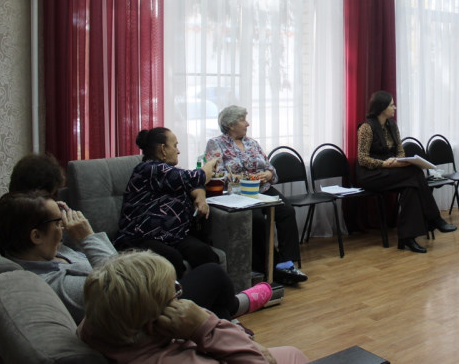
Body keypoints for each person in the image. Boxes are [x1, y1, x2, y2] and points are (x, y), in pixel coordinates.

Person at [0, 190, 271, 323]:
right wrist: (88, 236)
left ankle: (227, 318)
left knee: (210, 285)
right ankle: (234, 309)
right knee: (214, 274)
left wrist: (57, 214)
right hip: (151, 316)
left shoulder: (47, 252)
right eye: (58, 222)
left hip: (148, 299)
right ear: (35, 235)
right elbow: (126, 280)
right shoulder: (58, 285)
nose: (64, 227)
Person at [79, 250, 308, 363]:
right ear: (153, 324)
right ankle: (238, 310)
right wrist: (205, 327)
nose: (181, 297)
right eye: (175, 294)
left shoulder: (98, 323)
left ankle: (236, 312)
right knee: (294, 354)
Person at [206, 106, 307, 286]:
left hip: (262, 189)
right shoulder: (216, 143)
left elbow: (270, 168)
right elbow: (216, 174)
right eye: (242, 120)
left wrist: (268, 174)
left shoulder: (252, 143)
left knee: (287, 211)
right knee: (258, 221)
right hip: (238, 193)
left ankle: (287, 263)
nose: (247, 124)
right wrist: (242, 178)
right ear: (230, 124)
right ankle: (268, 265)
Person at [115, 127, 222, 279]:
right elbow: (196, 177)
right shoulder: (149, 169)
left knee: (204, 253)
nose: (178, 151)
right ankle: (176, 294)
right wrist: (211, 162)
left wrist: (200, 197)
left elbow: (193, 185)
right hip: (142, 237)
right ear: (163, 149)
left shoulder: (168, 171)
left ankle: (207, 292)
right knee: (172, 259)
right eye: (175, 145)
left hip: (173, 235)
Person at [356, 91, 456, 254]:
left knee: (411, 188)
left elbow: (400, 150)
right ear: (382, 108)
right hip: (370, 174)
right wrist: (384, 164)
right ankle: (434, 219)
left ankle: (407, 238)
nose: (394, 107)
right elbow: (362, 159)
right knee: (415, 174)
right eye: (391, 105)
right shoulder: (366, 128)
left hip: (390, 171)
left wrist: (400, 161)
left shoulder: (392, 125)